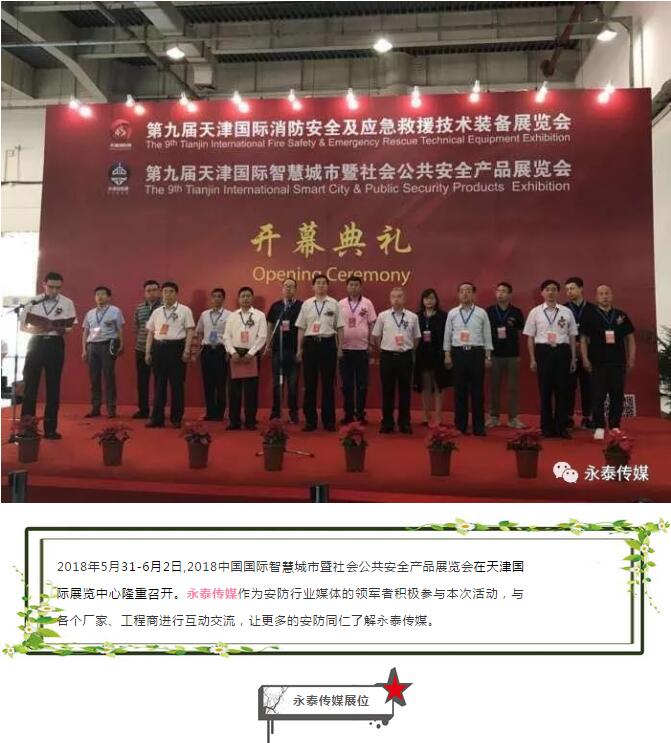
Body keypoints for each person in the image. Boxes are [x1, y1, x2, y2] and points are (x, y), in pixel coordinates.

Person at [20, 271, 78, 439]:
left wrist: (61, 329)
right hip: (36, 343)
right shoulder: (32, 302)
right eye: (51, 287)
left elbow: (70, 326)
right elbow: (22, 327)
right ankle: (27, 428)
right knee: (30, 386)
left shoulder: (67, 302)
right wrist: (35, 330)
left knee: (53, 386)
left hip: (55, 344)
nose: (54, 291)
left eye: (57, 288)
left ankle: (50, 429)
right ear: (44, 285)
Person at [579, 285, 635, 440]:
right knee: (598, 395)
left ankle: (615, 425)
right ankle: (599, 426)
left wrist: (631, 358)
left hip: (618, 362)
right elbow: (583, 339)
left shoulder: (621, 316)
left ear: (612, 296)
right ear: (596, 297)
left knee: (617, 395)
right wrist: (585, 359)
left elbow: (630, 338)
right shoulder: (589, 315)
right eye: (601, 294)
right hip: (597, 362)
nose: (604, 296)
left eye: (607, 293)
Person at [523, 279, 577, 439]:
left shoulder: (566, 312)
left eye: (554, 289)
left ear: (558, 292)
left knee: (563, 391)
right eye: (547, 289)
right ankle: (546, 427)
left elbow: (572, 336)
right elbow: (530, 337)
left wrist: (573, 358)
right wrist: (532, 359)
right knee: (545, 391)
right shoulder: (535, 312)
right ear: (542, 293)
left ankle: (562, 426)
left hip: (562, 351)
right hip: (543, 352)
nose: (551, 292)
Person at [295, 274, 344, 432]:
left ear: (327, 286)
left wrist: (340, 348)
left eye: (324, 283)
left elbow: (340, 327)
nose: (321, 285)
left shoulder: (334, 304)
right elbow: (301, 328)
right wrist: (299, 349)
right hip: (310, 345)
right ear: (313, 286)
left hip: (328, 344)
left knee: (328, 385)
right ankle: (310, 420)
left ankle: (329, 421)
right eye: (318, 283)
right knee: (310, 384)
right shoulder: (307, 304)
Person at [443, 282, 493, 436]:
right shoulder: (452, 313)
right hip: (458, 354)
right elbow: (447, 335)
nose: (465, 294)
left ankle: (479, 426)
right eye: (462, 291)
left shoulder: (481, 313)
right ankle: (460, 426)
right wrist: (447, 354)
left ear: (473, 294)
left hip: (476, 354)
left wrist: (488, 356)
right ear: (458, 294)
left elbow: (487, 335)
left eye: (468, 291)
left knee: (478, 392)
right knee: (460, 392)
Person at [145, 281, 195, 428]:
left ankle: (176, 418)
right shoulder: (157, 312)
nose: (167, 295)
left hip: (177, 349)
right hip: (159, 349)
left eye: (171, 292)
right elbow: (150, 333)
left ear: (176, 294)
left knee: (177, 385)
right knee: (159, 384)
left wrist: (187, 350)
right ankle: (157, 418)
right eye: (165, 292)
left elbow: (190, 331)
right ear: (162, 294)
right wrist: (148, 352)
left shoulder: (185, 310)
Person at [372, 287, 421, 434]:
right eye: (394, 297)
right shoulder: (383, 316)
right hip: (387, 357)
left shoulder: (412, 317)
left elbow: (416, 338)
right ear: (390, 299)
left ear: (404, 298)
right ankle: (387, 422)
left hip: (405, 356)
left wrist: (408, 349)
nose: (396, 299)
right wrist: (384, 349)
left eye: (399, 296)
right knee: (387, 390)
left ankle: (404, 422)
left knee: (405, 391)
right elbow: (376, 336)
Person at [223, 286, 267, 430]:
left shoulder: (259, 315)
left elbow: (262, 336)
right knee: (233, 391)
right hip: (235, 355)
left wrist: (251, 353)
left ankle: (250, 421)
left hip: (251, 355)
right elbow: (226, 336)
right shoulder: (232, 316)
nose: (246, 298)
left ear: (252, 298)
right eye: (243, 296)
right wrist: (232, 352)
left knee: (251, 391)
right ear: (238, 299)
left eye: (248, 296)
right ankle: (234, 421)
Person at [485, 282, 527, 429]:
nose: (500, 293)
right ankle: (494, 416)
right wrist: (487, 355)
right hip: (494, 354)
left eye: (503, 291)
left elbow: (521, 330)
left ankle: (513, 417)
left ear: (509, 294)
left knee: (513, 388)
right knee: (494, 387)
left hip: (512, 355)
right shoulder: (489, 311)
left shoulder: (516, 312)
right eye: (498, 291)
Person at [81, 286, 125, 418]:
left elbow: (119, 329)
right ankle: (95, 407)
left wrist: (121, 344)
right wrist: (84, 350)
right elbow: (85, 332)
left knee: (109, 377)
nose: (100, 296)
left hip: (107, 345)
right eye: (97, 294)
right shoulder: (90, 313)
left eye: (103, 294)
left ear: (108, 297)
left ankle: (111, 408)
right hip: (92, 347)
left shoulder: (115, 311)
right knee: (94, 378)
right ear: (95, 297)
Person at [338, 275, 377, 424]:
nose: (353, 287)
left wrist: (371, 343)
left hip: (362, 349)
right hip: (345, 349)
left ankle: (360, 414)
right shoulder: (340, 304)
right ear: (347, 287)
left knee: (362, 384)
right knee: (347, 385)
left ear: (360, 287)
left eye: (356, 285)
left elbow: (372, 323)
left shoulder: (367, 303)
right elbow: (337, 326)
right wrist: (338, 346)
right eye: (351, 285)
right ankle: (348, 414)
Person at [266, 278, 303, 424]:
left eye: (291, 286)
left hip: (294, 351)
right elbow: (270, 326)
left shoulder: (301, 306)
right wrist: (268, 344)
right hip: (278, 351)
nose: (288, 289)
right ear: (282, 289)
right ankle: (276, 412)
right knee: (277, 384)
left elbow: (303, 327)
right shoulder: (276, 306)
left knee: (293, 384)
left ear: (295, 289)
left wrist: (301, 349)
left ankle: (293, 413)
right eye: (286, 286)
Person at [413, 288, 451, 426]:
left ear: (436, 300)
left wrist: (447, 354)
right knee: (425, 386)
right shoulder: (416, 317)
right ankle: (426, 415)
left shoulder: (443, 316)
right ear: (422, 300)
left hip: (438, 354)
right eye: (426, 298)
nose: (429, 301)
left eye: (431, 298)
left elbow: (448, 336)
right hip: (422, 354)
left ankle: (438, 416)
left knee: (438, 385)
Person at [194, 288, 231, 421]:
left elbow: (231, 334)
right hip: (207, 350)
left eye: (219, 296)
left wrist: (228, 351)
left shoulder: (229, 315)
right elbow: (199, 332)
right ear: (211, 298)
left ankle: (220, 413)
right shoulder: (204, 314)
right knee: (208, 383)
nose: (216, 299)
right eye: (214, 296)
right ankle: (210, 412)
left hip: (222, 350)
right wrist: (199, 347)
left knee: (221, 383)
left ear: (223, 299)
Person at [565, 276, 595, 429]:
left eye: (572, 288)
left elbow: (597, 331)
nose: (569, 292)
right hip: (568, 353)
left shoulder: (593, 309)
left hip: (588, 353)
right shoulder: (562, 309)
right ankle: (568, 417)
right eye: (567, 289)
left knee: (588, 386)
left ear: (581, 288)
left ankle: (587, 417)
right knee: (568, 386)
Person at [132, 279, 162, 419]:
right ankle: (143, 410)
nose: (151, 293)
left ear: (159, 291)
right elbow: (137, 326)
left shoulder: (164, 307)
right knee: (142, 381)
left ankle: (157, 411)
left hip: (159, 349)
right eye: (148, 291)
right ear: (144, 293)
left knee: (159, 381)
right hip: (141, 348)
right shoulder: (140, 308)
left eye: (154, 290)